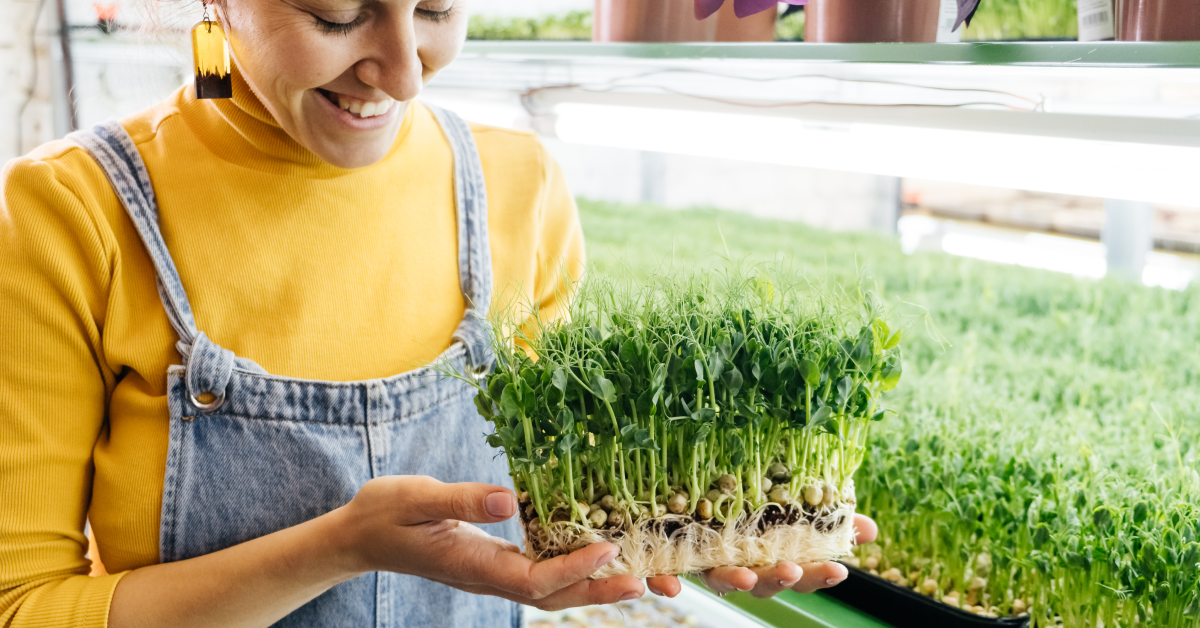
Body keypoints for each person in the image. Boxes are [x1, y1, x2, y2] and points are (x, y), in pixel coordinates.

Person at [0, 1, 877, 626]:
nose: (405, 72)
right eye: (338, 17)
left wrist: (680, 547)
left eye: (437, 8)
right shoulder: (70, 212)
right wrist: (339, 547)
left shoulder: (518, 186)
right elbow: (22, 605)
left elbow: (570, 510)